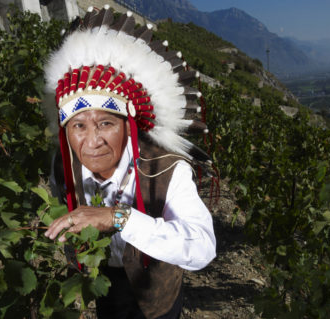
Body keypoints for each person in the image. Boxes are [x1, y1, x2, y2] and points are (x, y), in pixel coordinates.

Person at [43, 6, 216, 319]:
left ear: (129, 126)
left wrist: (119, 218)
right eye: (79, 126)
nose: (92, 141)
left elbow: (202, 246)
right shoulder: (62, 164)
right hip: (105, 281)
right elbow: (62, 201)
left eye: (106, 124)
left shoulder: (165, 169)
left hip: (157, 292)